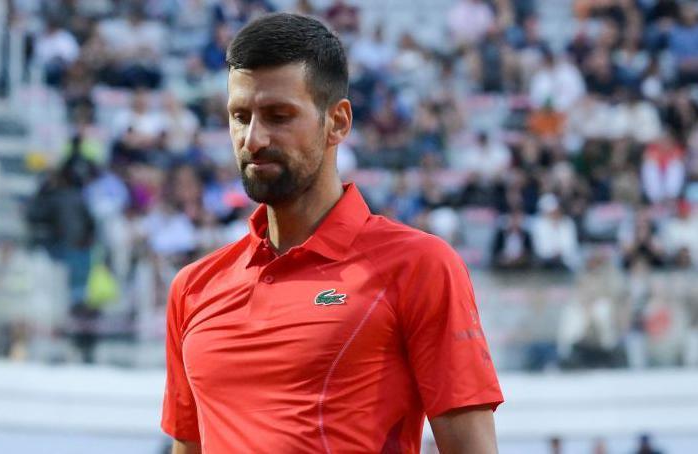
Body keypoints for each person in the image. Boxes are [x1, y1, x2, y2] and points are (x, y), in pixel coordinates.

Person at [162, 13, 503, 453]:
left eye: (278, 116)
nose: (253, 138)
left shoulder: (419, 265)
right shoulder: (193, 287)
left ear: (338, 122)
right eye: (240, 116)